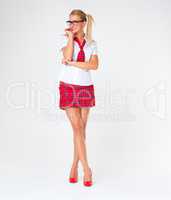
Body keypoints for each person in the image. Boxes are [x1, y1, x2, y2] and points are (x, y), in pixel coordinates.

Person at [57, 9, 99, 187]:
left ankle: (74, 165)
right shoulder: (64, 38)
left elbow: (94, 65)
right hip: (68, 86)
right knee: (77, 128)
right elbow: (66, 55)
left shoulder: (92, 43)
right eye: (70, 22)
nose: (71, 25)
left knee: (81, 131)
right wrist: (69, 39)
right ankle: (86, 169)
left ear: (83, 23)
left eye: (75, 22)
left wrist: (73, 63)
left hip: (85, 87)